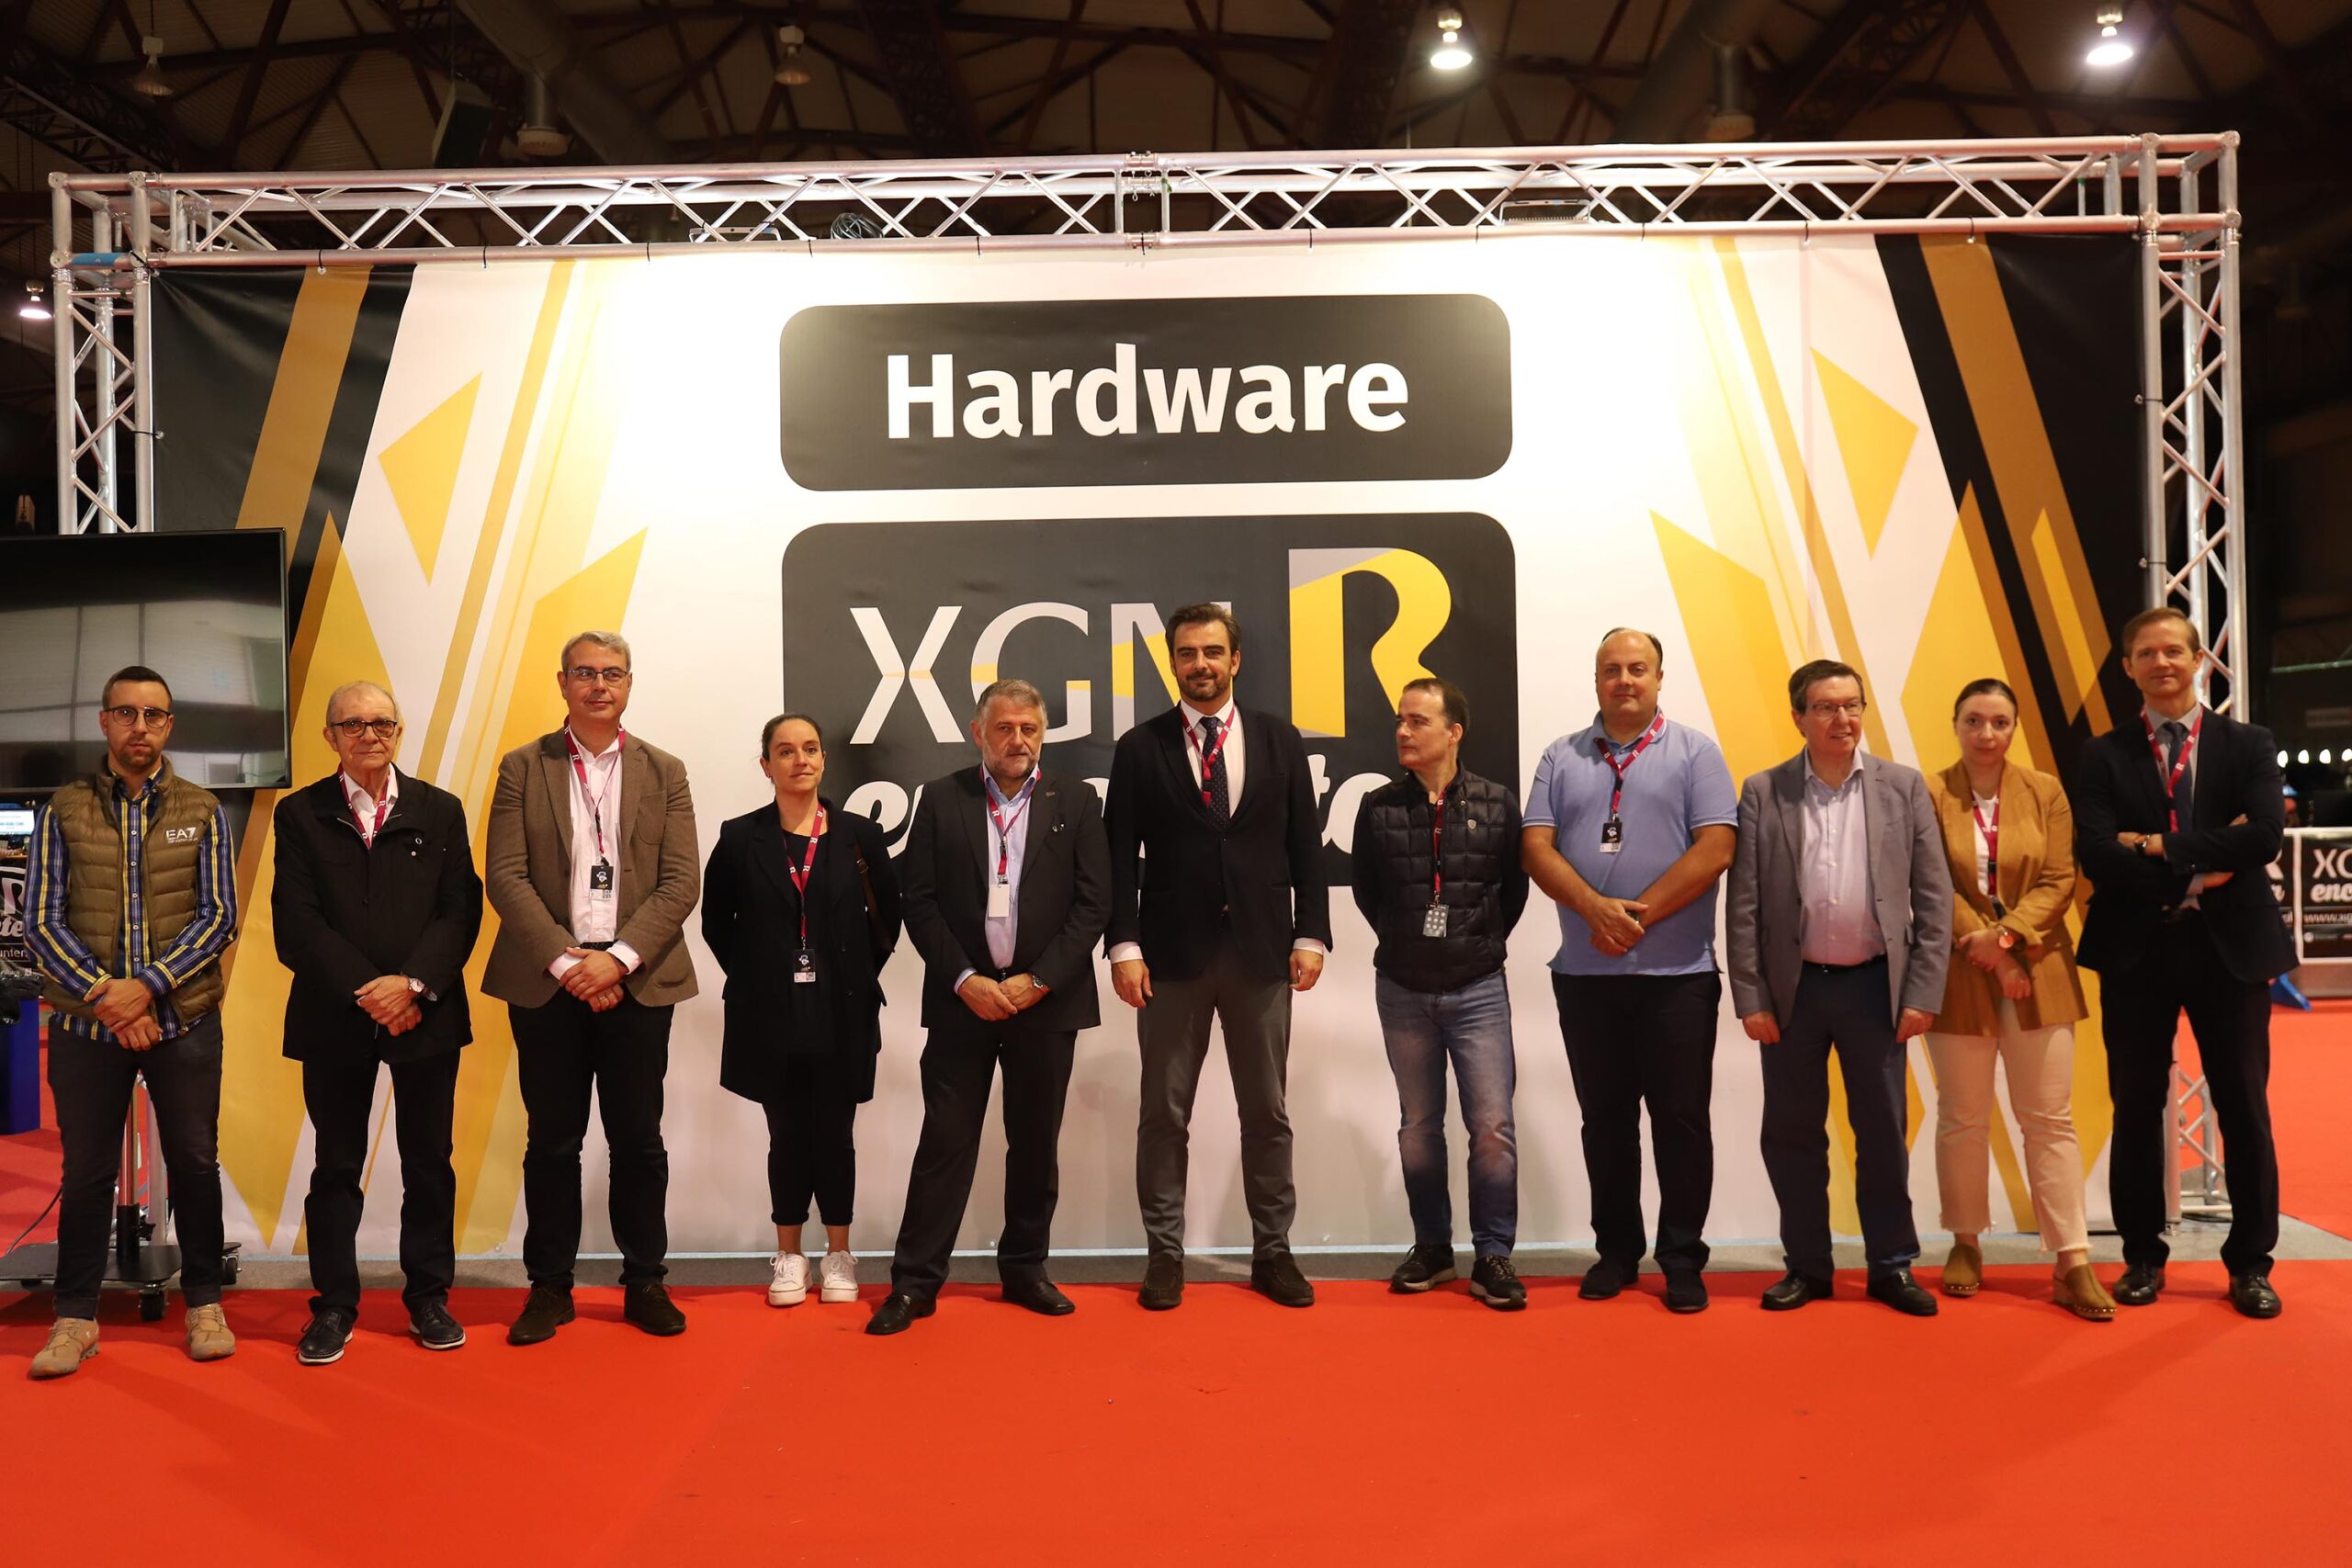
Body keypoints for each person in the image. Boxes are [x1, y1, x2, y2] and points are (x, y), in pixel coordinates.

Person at [1105, 604, 1333, 1310]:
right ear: (1172, 662)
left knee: (1267, 1111)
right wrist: (1123, 945)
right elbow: (1118, 858)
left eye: (1211, 651)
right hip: (1169, 957)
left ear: (1235, 660)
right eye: (1186, 653)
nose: (1199, 663)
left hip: (1262, 953)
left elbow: (1305, 844)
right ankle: (1164, 1254)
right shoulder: (1139, 747)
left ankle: (1274, 1251)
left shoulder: (1278, 738)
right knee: (1162, 1114)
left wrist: (1311, 932)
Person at [869, 681, 1110, 1336]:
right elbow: (918, 901)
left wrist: (1040, 980)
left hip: (1046, 1004)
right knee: (945, 1142)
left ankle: (1025, 1270)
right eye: (1004, 728)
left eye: (1029, 728)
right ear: (979, 733)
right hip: (963, 1004)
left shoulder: (1077, 800)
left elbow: (1094, 903)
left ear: (1043, 733)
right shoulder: (941, 798)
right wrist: (965, 979)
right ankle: (915, 1283)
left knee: (1035, 1143)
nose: (1018, 740)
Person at [2074, 607, 2293, 1318]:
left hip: (2231, 950)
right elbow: (2096, 851)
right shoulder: (2103, 754)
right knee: (2136, 1106)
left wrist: (2156, 846)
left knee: (2244, 1105)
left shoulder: (2248, 742)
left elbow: (2263, 836)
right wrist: (2200, 865)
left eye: (2174, 650)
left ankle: (2251, 1263)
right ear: (2128, 667)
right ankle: (2142, 1255)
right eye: (2146, 653)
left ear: (2199, 659)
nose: (2161, 662)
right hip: (2137, 948)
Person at [483, 630, 700, 1345]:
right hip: (549, 980)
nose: (598, 684)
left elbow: (681, 880)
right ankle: (549, 1287)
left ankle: (645, 1282)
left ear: (629, 684)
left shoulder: (665, 770)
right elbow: (504, 875)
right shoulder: (523, 766)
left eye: (612, 673)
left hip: (639, 978)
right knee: (552, 1141)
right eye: (584, 672)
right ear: (562, 682)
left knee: (638, 1139)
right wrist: (567, 962)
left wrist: (620, 959)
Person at [24, 666, 239, 1379]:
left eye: (153, 714)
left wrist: (144, 989)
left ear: (169, 724)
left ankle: (204, 1304)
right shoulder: (64, 808)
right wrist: (105, 996)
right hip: (89, 1027)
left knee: (195, 1163)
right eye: (125, 712)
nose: (139, 726)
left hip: (183, 1022)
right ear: (105, 721)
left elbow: (219, 917)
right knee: (86, 1171)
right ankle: (74, 1317)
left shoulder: (203, 808)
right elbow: (40, 921)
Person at [1726, 660, 1951, 1316]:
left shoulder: (1902, 787)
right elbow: (1745, 905)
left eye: (1852, 705)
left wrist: (1922, 993)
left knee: (1882, 1133)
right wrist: (1752, 997)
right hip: (1793, 993)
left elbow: (1934, 898)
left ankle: (1892, 1265)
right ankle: (1807, 1266)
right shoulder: (1764, 791)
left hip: (1874, 988)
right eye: (1826, 707)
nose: (1842, 719)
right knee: (1793, 1136)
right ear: (1799, 716)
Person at [1521, 629, 1736, 1313]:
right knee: (1605, 1122)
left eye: (1637, 668)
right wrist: (1594, 908)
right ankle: (1616, 1252)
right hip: (1587, 977)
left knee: (1681, 1121)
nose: (1624, 680)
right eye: (1611, 669)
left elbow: (1717, 847)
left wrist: (1633, 918)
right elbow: (1535, 847)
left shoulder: (1697, 753)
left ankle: (1681, 1258)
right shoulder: (1560, 756)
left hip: (1678, 976)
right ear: (1596, 680)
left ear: (1659, 677)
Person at [274, 681, 485, 1364]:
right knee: (335, 1164)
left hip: (426, 1012)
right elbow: (296, 924)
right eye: (353, 724)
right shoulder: (300, 813)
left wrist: (413, 984)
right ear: (329, 736)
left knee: (429, 1162)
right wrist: (371, 990)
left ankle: (428, 1297)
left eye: (382, 723)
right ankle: (334, 1305)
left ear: (398, 731)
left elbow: (461, 910)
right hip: (336, 1015)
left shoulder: (439, 810)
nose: (370, 735)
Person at [1921, 679, 2113, 1321]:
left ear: (2014, 727)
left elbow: (2059, 878)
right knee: (1962, 1116)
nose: (1986, 734)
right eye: (1974, 720)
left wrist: (2005, 939)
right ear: (1956, 724)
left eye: (1999, 722)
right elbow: (1929, 880)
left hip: (2039, 969)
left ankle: (2071, 1258)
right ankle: (1965, 1241)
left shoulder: (2045, 791)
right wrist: (1990, 953)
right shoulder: (1929, 792)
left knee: (2049, 1119)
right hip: (1958, 971)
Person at [702, 713, 901, 1313]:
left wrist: (848, 976)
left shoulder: (860, 836)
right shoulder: (740, 837)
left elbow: (886, 921)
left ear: (823, 760)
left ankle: (839, 1253)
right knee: (786, 1135)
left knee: (836, 1136)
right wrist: (762, 977)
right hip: (770, 1014)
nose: (800, 760)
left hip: (842, 1011)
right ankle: (789, 1255)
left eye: (810, 748)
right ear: (766, 765)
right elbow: (717, 924)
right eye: (785, 751)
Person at [1351, 677, 1529, 1310]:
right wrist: (1408, 942)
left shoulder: (1498, 803)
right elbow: (1370, 894)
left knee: (1492, 1126)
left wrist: (1476, 944)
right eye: (1400, 720)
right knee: (1419, 1127)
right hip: (1402, 990)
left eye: (1418, 721)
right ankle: (1432, 1248)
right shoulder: (1377, 807)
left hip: (1478, 988)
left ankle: (1493, 1255)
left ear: (1453, 732)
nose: (1403, 730)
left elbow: (1512, 893)